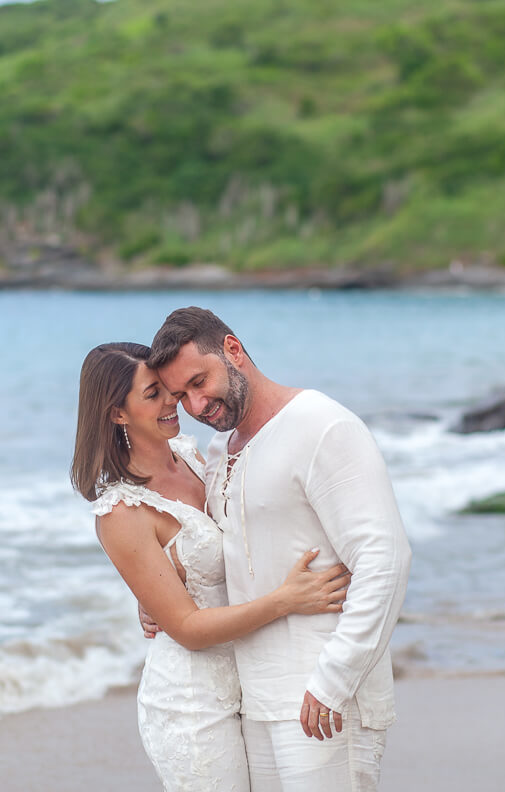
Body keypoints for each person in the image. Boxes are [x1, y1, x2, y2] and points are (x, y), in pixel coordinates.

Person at [144, 308, 412, 792]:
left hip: (323, 699)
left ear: (233, 350)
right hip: (253, 702)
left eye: (200, 382)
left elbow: (385, 560)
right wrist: (160, 595)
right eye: (181, 396)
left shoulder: (322, 426)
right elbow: (224, 555)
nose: (197, 405)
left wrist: (334, 681)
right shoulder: (220, 452)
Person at [70, 341, 352, 792]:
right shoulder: (121, 512)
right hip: (191, 704)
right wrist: (285, 600)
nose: (173, 401)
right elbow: (187, 628)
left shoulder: (191, 455)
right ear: (117, 414)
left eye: (168, 388)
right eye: (153, 394)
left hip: (250, 680)